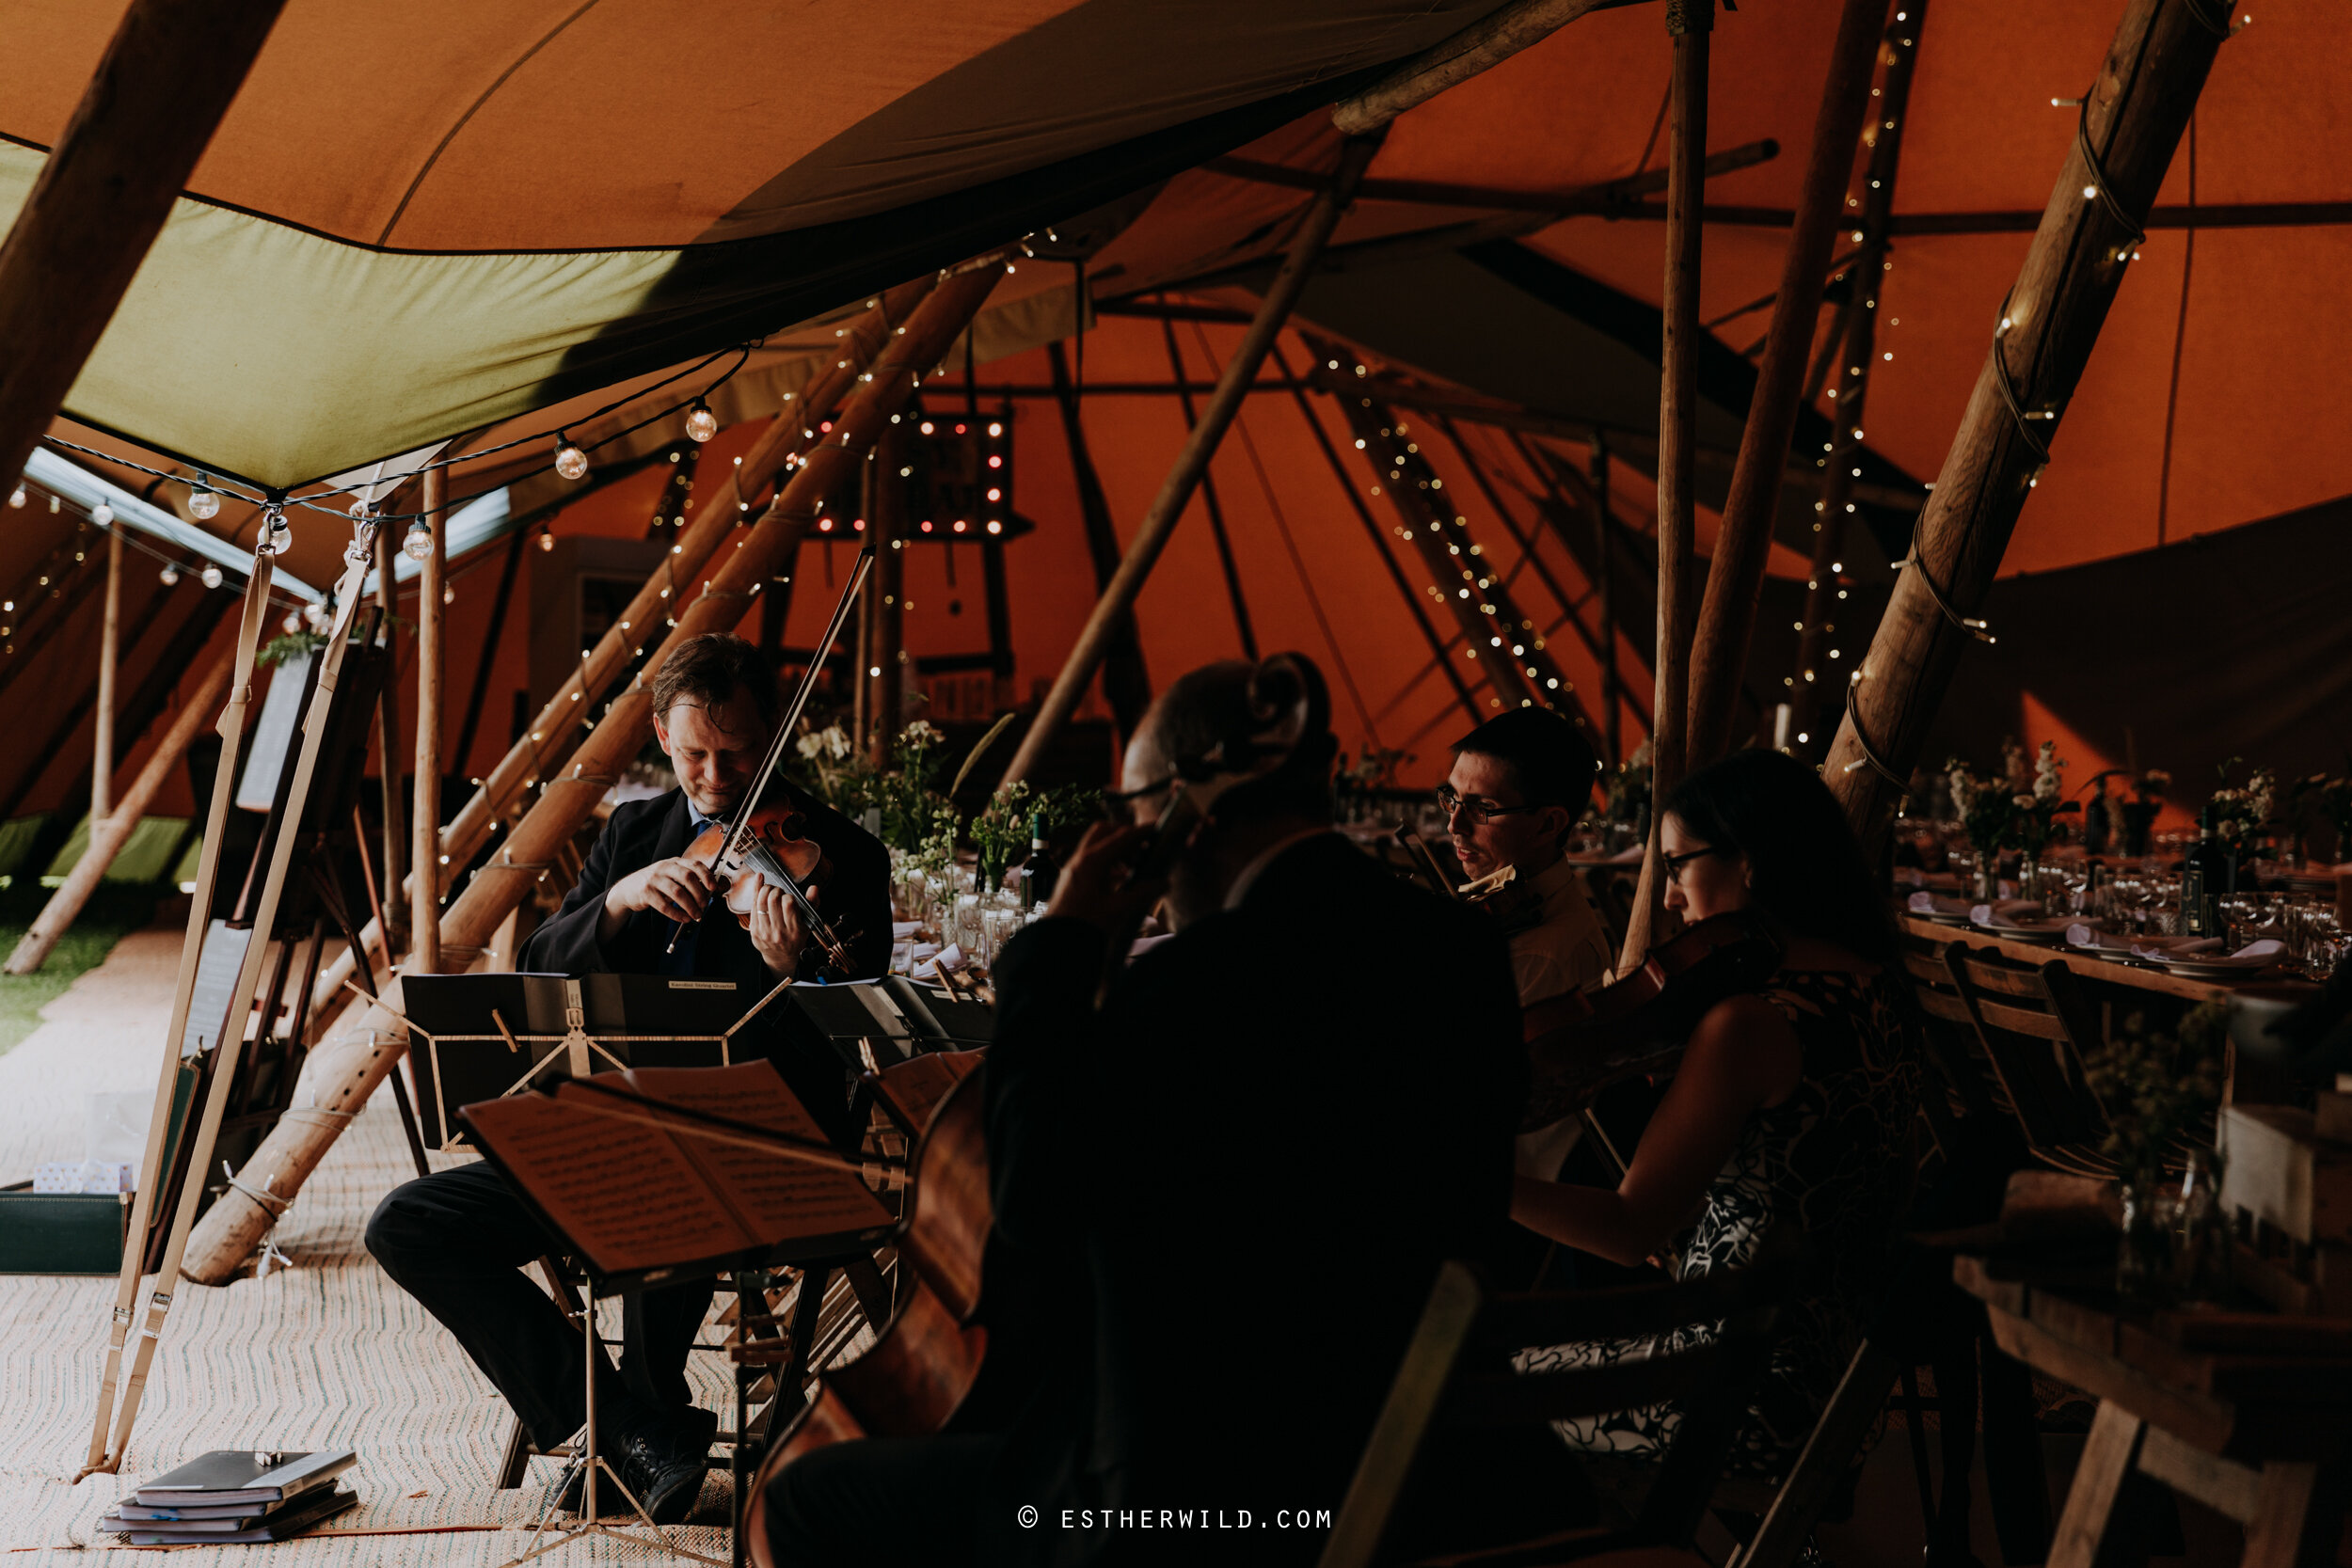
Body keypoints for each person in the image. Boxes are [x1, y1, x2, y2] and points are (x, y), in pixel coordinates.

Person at [757, 656, 1528, 1566]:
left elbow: (1029, 1207)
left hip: (1191, 1503)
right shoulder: (1462, 950)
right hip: (1425, 1473)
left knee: (799, 1502)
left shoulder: (1190, 985)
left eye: (1136, 818)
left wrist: (1059, 952)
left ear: (1184, 815)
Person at [366, 634, 893, 1524]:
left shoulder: (839, 858)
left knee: (670, 1175)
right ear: (658, 733)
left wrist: (794, 972)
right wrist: (614, 901)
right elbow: (539, 964)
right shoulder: (633, 833)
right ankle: (626, 1429)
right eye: (694, 754)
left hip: (763, 1152)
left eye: (738, 754)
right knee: (409, 1225)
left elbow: (864, 1040)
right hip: (611, 1135)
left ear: (773, 740)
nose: (717, 777)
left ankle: (635, 1436)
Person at [1509, 749, 1921, 1479]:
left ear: (1751, 861)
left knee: (1454, 1388)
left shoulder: (1749, 1024)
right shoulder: (1878, 983)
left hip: (1729, 1392)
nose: (1669, 898)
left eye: (1677, 865)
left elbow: (1629, 1230)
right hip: (1834, 1385)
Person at [1443, 707, 1614, 1007]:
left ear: (1548, 825)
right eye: (1452, 798)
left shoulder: (1540, 961)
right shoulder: (1499, 907)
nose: (1454, 824)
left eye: (1482, 807)